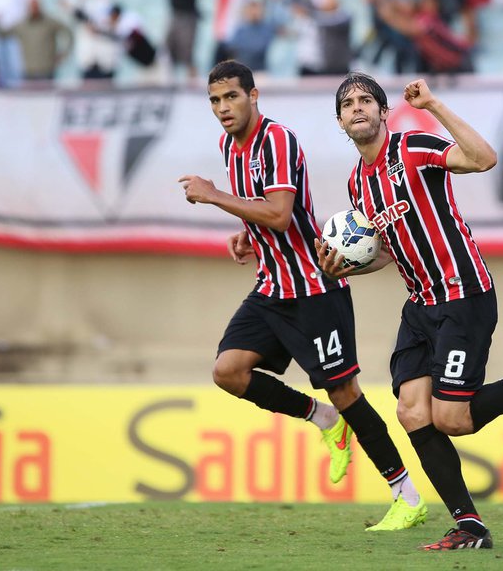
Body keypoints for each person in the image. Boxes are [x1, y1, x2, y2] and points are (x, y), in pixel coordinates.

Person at [318, 72, 503, 550]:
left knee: (454, 419)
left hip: (463, 294)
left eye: (366, 99)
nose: (357, 107)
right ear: (341, 122)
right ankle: (469, 526)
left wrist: (433, 105)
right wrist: (344, 269)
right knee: (412, 412)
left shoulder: (411, 148)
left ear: (384, 112)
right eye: (348, 104)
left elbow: (484, 158)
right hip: (420, 306)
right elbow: (389, 250)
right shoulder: (357, 185)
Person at [178, 60, 427, 532]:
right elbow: (263, 217)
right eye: (214, 100)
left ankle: (405, 496)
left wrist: (214, 196)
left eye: (231, 97)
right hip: (272, 287)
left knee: (347, 389)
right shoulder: (229, 146)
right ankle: (323, 418)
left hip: (315, 287)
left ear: (253, 97)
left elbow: (278, 213)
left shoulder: (278, 140)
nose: (223, 108)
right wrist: (246, 234)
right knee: (227, 371)